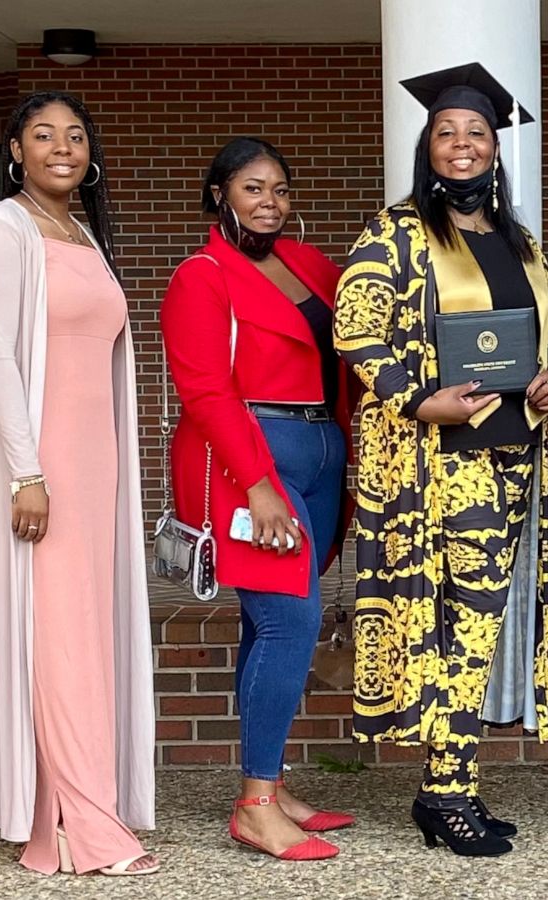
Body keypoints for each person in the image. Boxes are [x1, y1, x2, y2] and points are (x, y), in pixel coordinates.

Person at [334, 62, 548, 859]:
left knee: (480, 625)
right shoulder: (397, 232)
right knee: (453, 626)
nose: (463, 145)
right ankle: (444, 795)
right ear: (427, 147)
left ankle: (457, 785)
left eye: (477, 132)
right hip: (438, 465)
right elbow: (357, 330)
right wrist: (415, 399)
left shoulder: (519, 239)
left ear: (494, 148)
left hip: (510, 457)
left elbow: (546, 341)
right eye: (448, 133)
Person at [0, 91, 158, 876]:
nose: (61, 147)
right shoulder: (1, 227)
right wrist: (25, 472)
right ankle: (79, 826)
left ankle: (71, 810)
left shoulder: (82, 234)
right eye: (43, 135)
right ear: (15, 151)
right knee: (58, 638)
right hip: (39, 467)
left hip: (95, 464)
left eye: (75, 135)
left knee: (86, 635)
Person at [160, 137, 357, 862]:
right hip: (252, 460)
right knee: (290, 619)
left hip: (320, 449)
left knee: (266, 622)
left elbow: (357, 343)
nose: (268, 201)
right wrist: (260, 486)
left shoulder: (309, 265)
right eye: (252, 188)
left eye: (278, 188)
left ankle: (270, 786)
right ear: (219, 195)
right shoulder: (201, 276)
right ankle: (254, 806)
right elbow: (206, 391)